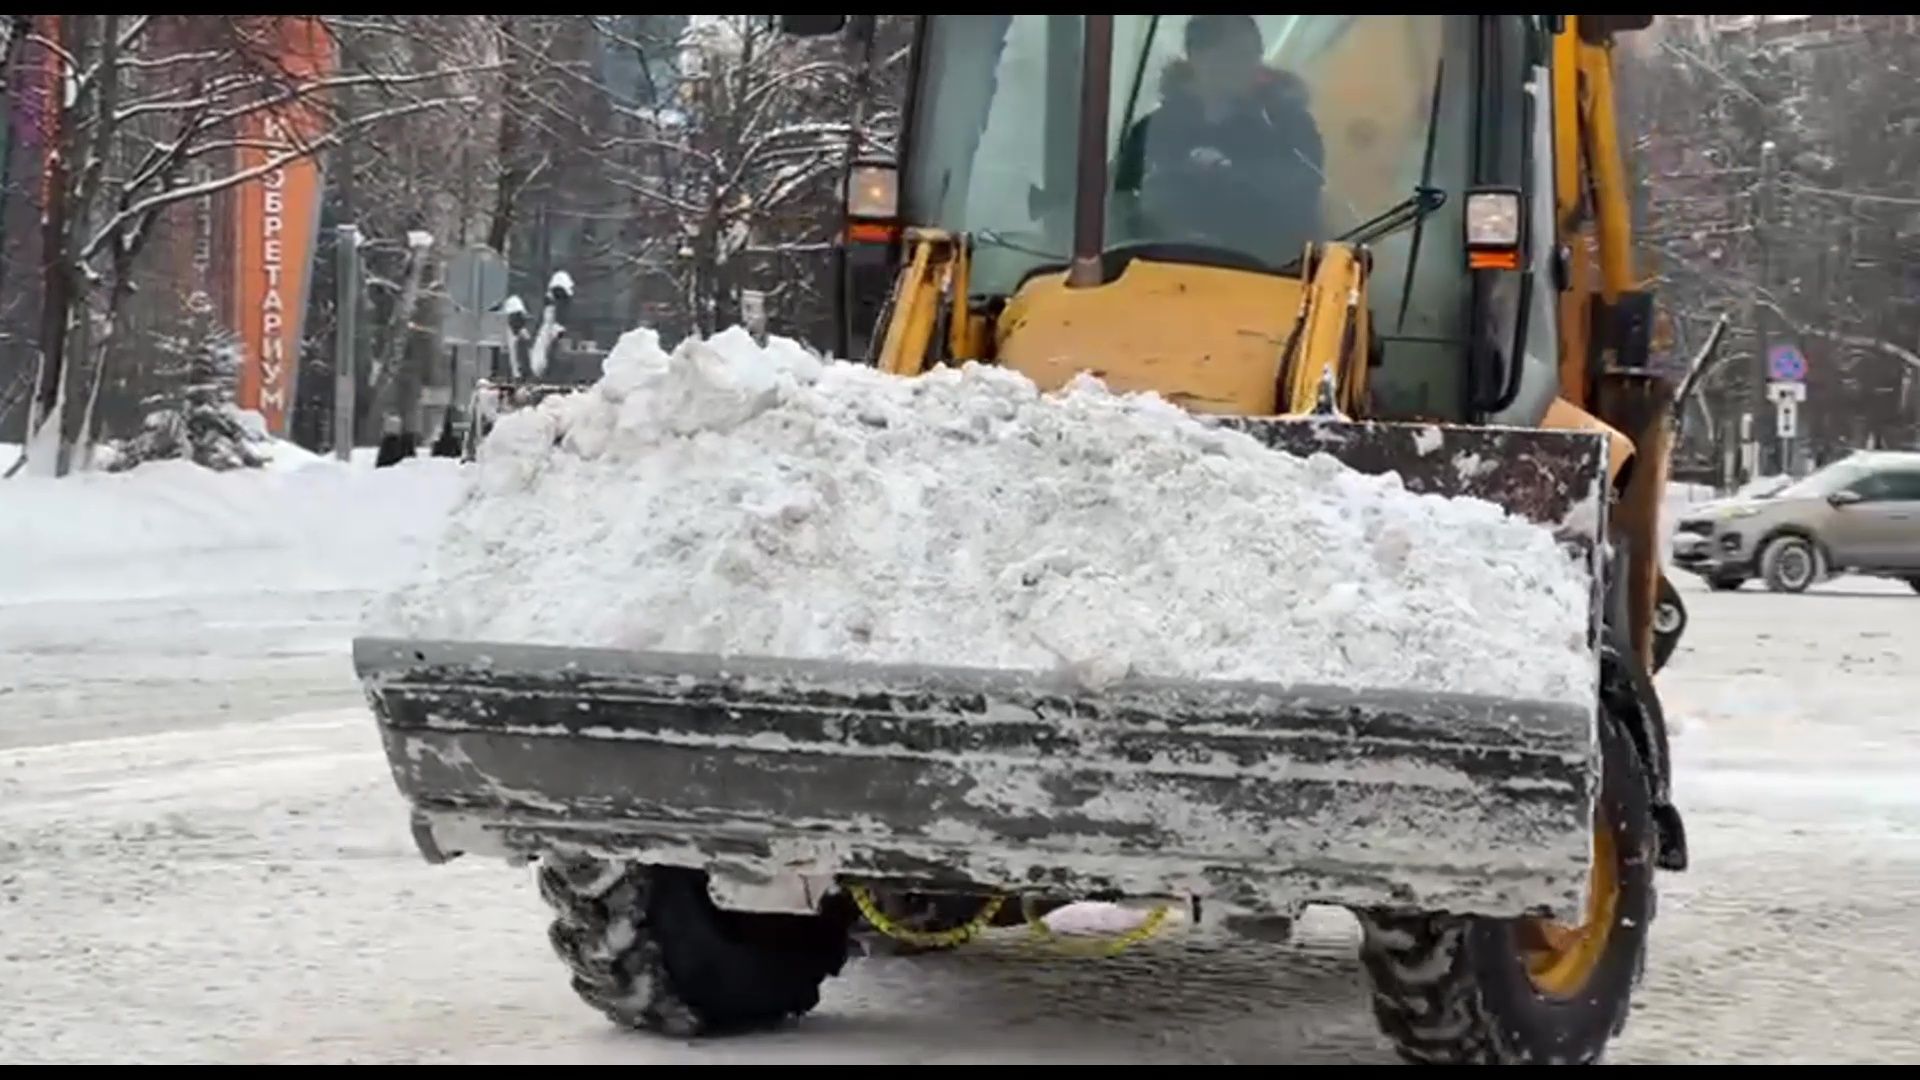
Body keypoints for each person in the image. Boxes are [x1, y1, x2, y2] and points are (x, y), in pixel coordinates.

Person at [1113, 14, 1327, 264]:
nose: (1243, 67)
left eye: (1249, 56)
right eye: (1228, 56)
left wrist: (1229, 173)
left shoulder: (1289, 129)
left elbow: (1305, 197)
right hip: (1164, 275)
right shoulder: (1149, 134)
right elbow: (1121, 213)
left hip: (1268, 275)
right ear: (1196, 57)